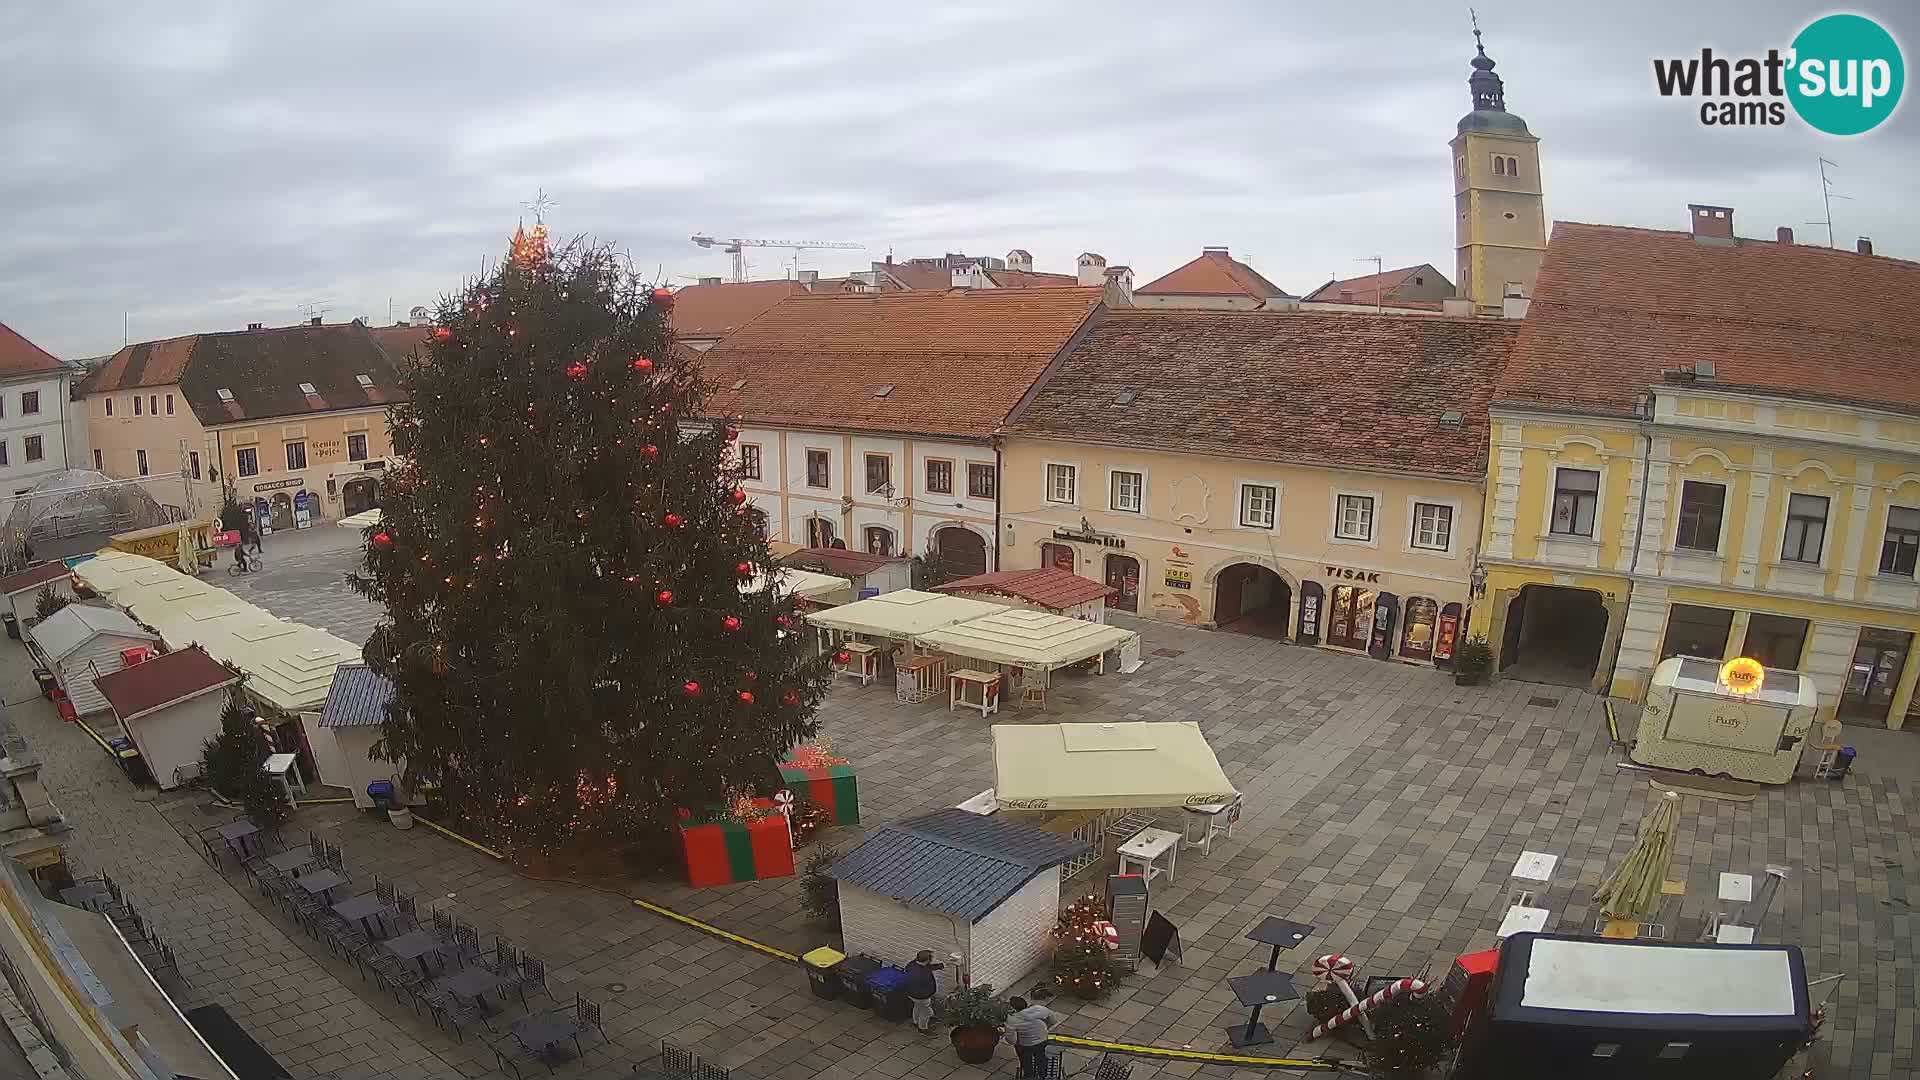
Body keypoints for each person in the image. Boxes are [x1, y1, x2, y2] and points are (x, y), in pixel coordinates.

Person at [1005, 995, 1063, 1079]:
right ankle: (1043, 1073)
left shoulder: (1011, 1020)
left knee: (1026, 1059)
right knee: (1040, 1055)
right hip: (1042, 1039)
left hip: (1025, 1044)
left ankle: (1029, 1075)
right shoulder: (1038, 1009)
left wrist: (1016, 1043)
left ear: (1013, 1008)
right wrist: (1046, 1028)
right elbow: (1053, 1019)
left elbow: (1011, 1039)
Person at [903, 950, 944, 1035]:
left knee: (917, 1007)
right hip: (921, 996)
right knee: (927, 1012)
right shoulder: (923, 974)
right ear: (928, 960)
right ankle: (923, 1028)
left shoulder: (911, 964)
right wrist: (929, 994)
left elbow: (928, 967)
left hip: (910, 993)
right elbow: (927, 985)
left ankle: (915, 1021)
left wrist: (942, 965)